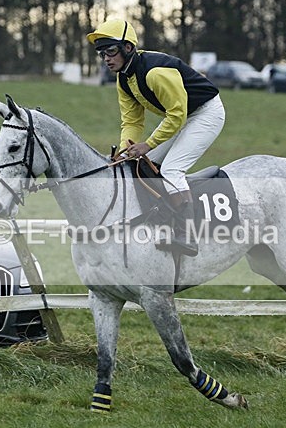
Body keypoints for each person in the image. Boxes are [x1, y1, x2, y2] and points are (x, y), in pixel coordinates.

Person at [87, 19, 226, 257]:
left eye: (111, 51)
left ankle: (188, 234)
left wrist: (148, 144)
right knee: (139, 164)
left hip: (205, 114)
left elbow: (177, 115)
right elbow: (132, 121)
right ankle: (161, 219)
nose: (106, 59)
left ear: (128, 48)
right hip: (182, 117)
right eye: (102, 54)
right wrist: (125, 151)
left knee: (172, 170)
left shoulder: (155, 73)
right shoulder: (123, 78)